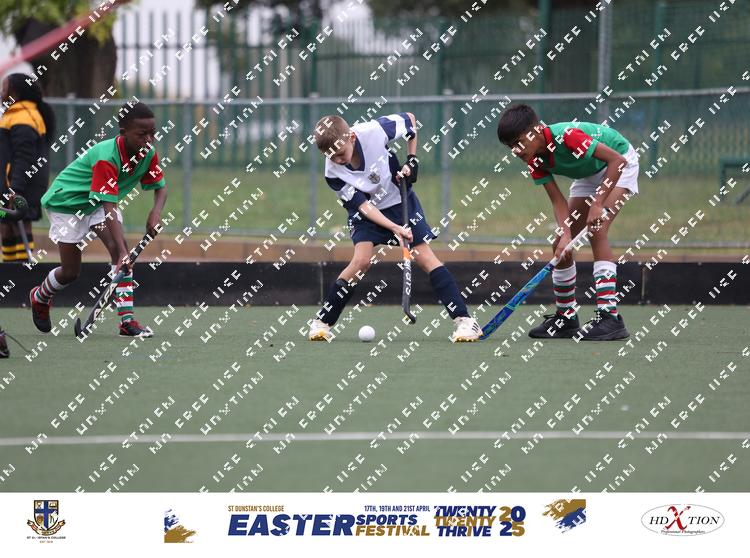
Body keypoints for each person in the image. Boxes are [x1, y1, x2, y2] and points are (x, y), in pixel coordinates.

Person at [308, 113, 481, 343]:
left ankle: (465, 321)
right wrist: (395, 228)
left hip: (399, 201)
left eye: (340, 153)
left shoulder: (374, 131)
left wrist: (412, 160)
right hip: (367, 212)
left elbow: (410, 120)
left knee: (424, 257)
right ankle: (322, 322)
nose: (337, 160)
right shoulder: (332, 172)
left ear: (351, 137)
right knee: (361, 261)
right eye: (330, 156)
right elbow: (363, 207)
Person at [496, 104, 639, 341]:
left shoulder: (567, 137)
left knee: (597, 230)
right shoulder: (533, 159)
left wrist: (597, 203)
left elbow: (617, 161)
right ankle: (566, 318)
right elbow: (558, 202)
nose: (516, 151)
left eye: (519, 142)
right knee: (560, 244)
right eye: (511, 147)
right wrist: (565, 235)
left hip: (619, 163)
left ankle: (610, 318)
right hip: (589, 173)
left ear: (537, 130)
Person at [29, 102, 167, 337]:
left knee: (119, 250)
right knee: (70, 272)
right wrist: (123, 253)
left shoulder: (149, 153)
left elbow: (160, 188)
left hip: (97, 204)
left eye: (152, 133)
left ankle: (127, 322)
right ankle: (40, 296)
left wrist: (155, 212)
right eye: (142, 134)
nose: (149, 139)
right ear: (123, 132)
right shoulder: (107, 158)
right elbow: (109, 206)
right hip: (67, 204)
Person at [0, 73, 55, 262]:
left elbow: (24, 157)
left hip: (22, 184)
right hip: (10, 182)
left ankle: (23, 271)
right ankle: (10, 270)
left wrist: (15, 188)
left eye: (4, 88)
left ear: (15, 92)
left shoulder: (24, 117)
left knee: (20, 223)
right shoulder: (13, 115)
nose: (1, 93)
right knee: (6, 224)